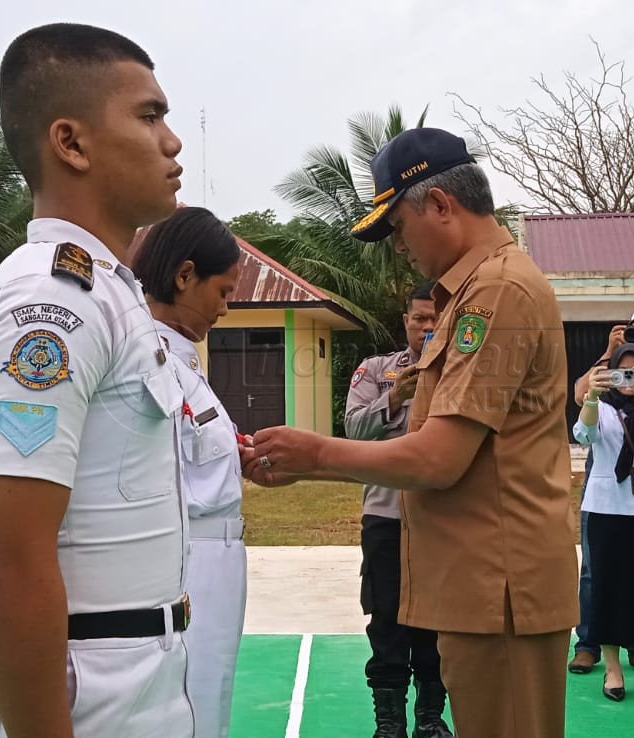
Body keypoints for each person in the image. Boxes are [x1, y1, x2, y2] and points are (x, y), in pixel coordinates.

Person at [247, 128, 577, 738]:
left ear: (440, 206)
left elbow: (439, 459)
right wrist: (305, 464)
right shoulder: (471, 292)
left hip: (499, 587)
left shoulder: (496, 292)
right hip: (480, 584)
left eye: (398, 226)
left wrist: (314, 451)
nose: (398, 246)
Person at [0, 23, 193, 738]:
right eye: (150, 116)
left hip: (134, 680)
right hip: (85, 699)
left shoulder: (109, 291)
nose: (172, 141)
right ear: (72, 143)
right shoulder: (52, 304)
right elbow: (5, 566)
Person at [131, 206, 249, 738]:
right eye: (222, 292)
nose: (226, 307)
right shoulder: (144, 359)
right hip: (186, 560)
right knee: (188, 703)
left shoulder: (184, 362)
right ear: (184, 276)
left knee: (211, 692)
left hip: (217, 556)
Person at [344, 281, 452, 738]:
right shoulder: (375, 371)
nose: (427, 327)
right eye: (419, 318)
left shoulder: (461, 373)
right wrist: (395, 398)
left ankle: (430, 719)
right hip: (386, 518)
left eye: (435, 319)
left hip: (441, 519)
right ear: (405, 321)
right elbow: (352, 429)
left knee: (437, 622)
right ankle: (388, 724)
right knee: (386, 621)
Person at [569, 306, 634, 676]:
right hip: (608, 493)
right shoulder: (605, 383)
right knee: (598, 572)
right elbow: (581, 409)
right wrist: (605, 357)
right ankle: (589, 641)